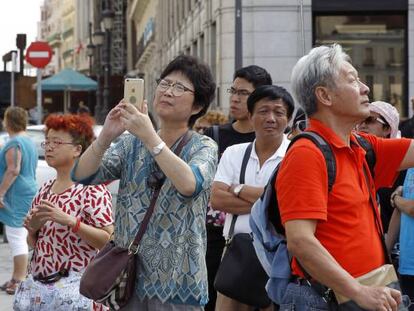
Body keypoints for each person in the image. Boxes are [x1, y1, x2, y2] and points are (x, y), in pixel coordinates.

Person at [72, 55, 218, 310]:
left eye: (180, 88)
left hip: (178, 285)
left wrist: (150, 136)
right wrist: (106, 136)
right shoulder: (130, 144)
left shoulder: (203, 145)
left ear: (198, 106)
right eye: (165, 84)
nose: (168, 92)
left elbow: (189, 184)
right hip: (129, 279)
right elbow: (82, 175)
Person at [276, 43, 414, 310]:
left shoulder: (361, 146)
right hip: (330, 300)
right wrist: (358, 292)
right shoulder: (306, 153)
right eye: (352, 80)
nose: (365, 88)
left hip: (367, 294)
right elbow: (300, 240)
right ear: (324, 96)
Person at [14, 114, 114, 311]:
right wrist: (33, 231)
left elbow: (108, 241)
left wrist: (71, 221)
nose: (49, 147)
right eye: (47, 142)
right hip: (42, 292)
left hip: (78, 294)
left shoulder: (91, 189)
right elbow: (36, 245)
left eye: (57, 142)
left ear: (78, 149)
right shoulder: (45, 189)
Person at [211, 85, 294, 311]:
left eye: (279, 112)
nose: (271, 118)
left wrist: (237, 189)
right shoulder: (234, 153)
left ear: (288, 119)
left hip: (278, 257)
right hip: (236, 253)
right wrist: (267, 200)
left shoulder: (296, 155)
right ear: (250, 116)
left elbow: (286, 203)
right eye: (264, 111)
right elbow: (217, 199)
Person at [203, 65, 272, 311]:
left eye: (243, 93)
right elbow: (215, 198)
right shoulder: (214, 136)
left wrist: (235, 188)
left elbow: (276, 200)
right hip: (216, 239)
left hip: (263, 241)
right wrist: (260, 199)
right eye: (233, 90)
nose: (234, 97)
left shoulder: (273, 141)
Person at [0, 107, 38, 295]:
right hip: (28, 190)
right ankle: (17, 276)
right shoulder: (29, 141)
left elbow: (13, 169)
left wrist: (0, 193)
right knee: (20, 236)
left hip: (16, 194)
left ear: (8, 121)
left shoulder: (14, 143)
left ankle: (19, 279)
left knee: (16, 237)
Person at [357, 101, 404, 232]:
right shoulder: (353, 156)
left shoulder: (405, 163)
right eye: (360, 120)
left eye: (370, 120)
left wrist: (397, 199)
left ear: (387, 128)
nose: (362, 125)